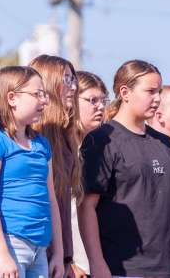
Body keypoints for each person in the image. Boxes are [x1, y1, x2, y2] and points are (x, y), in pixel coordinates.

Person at [78, 60, 170, 278]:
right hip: (124, 269)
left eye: (159, 91)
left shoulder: (166, 144)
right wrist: (97, 263)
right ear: (125, 92)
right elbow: (87, 206)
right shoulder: (102, 140)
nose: (157, 98)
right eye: (150, 91)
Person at [0, 66, 64, 278]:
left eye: (45, 94)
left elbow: (51, 200)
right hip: (7, 243)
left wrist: (58, 253)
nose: (44, 100)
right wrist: (2, 253)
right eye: (37, 94)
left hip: (39, 248)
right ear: (12, 98)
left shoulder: (41, 144)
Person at [29, 55, 81, 277]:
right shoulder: (33, 137)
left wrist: (66, 257)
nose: (74, 87)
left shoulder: (65, 137)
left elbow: (61, 205)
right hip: (33, 250)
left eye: (73, 80)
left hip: (58, 257)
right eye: (67, 80)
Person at [71, 70, 109, 277]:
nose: (101, 107)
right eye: (92, 100)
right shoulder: (60, 150)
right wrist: (70, 260)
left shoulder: (94, 148)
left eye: (104, 100)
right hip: (69, 263)